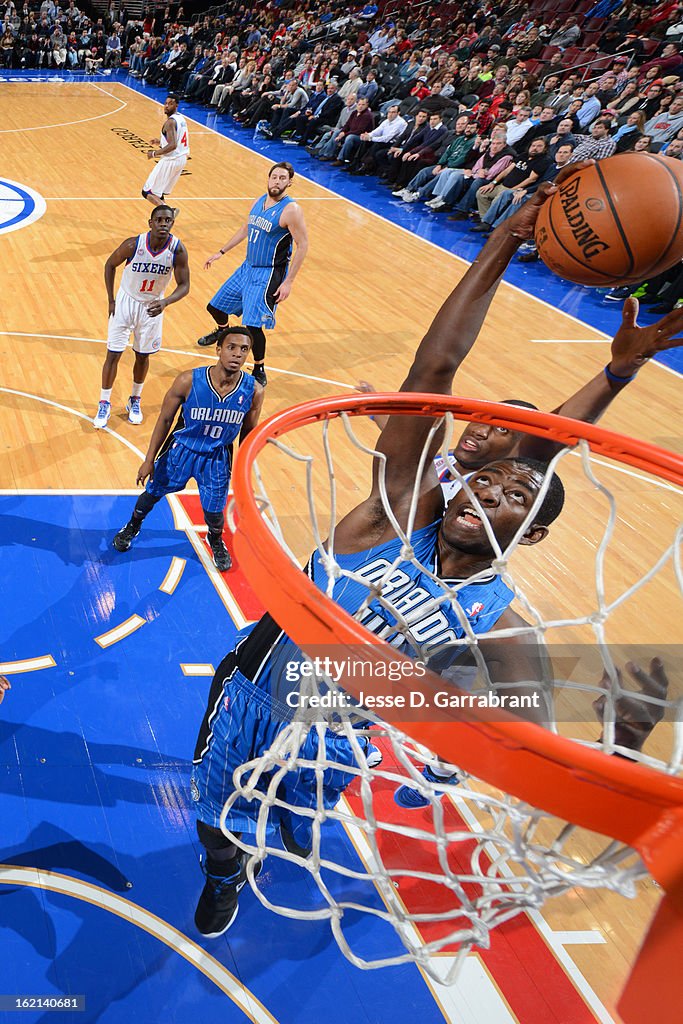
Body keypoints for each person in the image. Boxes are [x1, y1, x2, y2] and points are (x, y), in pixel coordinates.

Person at [189, 178, 683, 936]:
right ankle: (223, 874)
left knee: (306, 804)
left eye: (516, 491)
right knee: (213, 819)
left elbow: (534, 741)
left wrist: (617, 742)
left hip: (342, 733)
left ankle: (296, 819)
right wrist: (500, 245)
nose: (488, 489)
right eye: (482, 478)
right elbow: (433, 376)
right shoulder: (390, 520)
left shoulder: (498, 619)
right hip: (256, 693)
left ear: (535, 533)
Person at [112, 327, 264, 572]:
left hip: (217, 458)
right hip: (180, 451)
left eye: (244, 349)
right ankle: (133, 525)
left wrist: (245, 472)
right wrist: (148, 459)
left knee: (215, 511)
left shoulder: (254, 390)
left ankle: (214, 539)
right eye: (231, 347)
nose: (237, 354)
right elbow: (164, 420)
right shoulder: (188, 380)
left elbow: (248, 433)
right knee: (152, 493)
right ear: (218, 349)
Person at [196, 163, 308, 388]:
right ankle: (222, 332)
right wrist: (221, 252)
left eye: (282, 178)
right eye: (274, 177)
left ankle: (259, 367)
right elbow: (246, 228)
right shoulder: (258, 201)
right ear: (268, 179)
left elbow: (303, 244)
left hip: (268, 272)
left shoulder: (291, 210)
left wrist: (289, 281)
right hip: (247, 267)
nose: (277, 181)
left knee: (252, 326)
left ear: (289, 182)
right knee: (215, 307)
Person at [93, 206, 190, 430]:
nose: (164, 224)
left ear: (172, 224)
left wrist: (165, 302)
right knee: (113, 354)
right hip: (126, 302)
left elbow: (185, 285)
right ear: (151, 223)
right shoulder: (133, 245)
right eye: (159, 220)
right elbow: (109, 265)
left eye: (168, 220)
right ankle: (104, 402)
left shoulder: (177, 250)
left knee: (142, 356)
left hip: (153, 306)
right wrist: (111, 299)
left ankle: (134, 399)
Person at [142, 95, 190, 211]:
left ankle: (169, 212)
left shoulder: (170, 123)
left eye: (171, 103)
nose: (167, 106)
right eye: (166, 103)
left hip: (171, 160)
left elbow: (173, 145)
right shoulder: (181, 118)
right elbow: (177, 140)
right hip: (181, 158)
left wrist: (154, 153)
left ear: (176, 105)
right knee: (158, 192)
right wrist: (160, 142)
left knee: (147, 191)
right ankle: (167, 216)